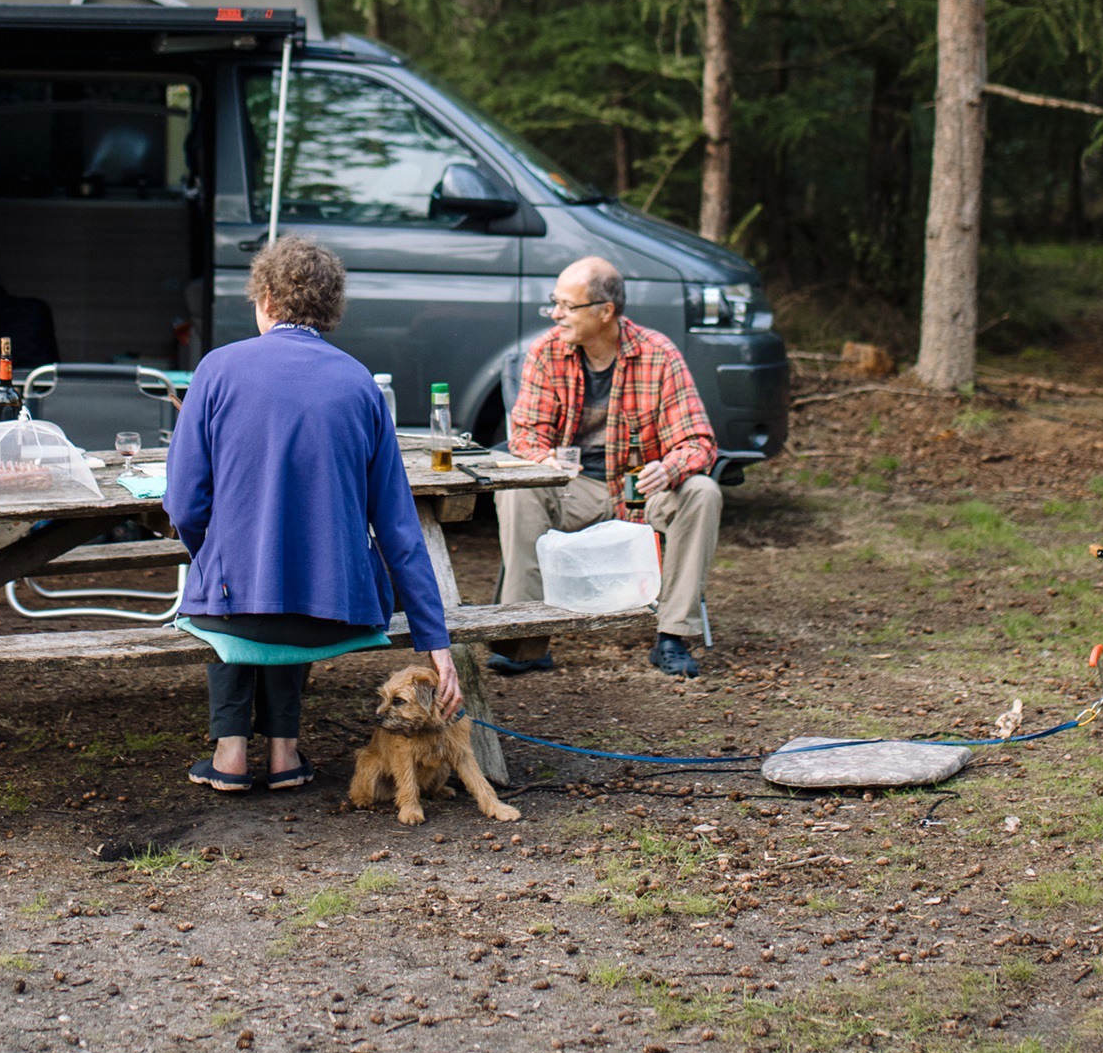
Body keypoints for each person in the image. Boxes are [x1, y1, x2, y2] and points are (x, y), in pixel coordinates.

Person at [165, 236, 460, 794]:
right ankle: (285, 753)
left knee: (241, 573)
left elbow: (183, 505)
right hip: (337, 612)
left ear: (268, 298)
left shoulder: (216, 369)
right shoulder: (361, 384)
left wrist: (217, 555)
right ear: (330, 307)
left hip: (233, 613)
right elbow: (399, 529)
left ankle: (230, 754)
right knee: (285, 571)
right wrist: (436, 644)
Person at [494, 255, 721, 678]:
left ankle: (672, 636)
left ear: (605, 312)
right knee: (516, 487)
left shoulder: (659, 355)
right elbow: (524, 433)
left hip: (642, 492)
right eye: (553, 303)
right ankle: (526, 637)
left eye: (566, 305)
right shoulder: (548, 351)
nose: (555, 314)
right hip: (573, 487)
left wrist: (669, 469)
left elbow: (698, 442)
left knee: (703, 491)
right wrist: (543, 458)